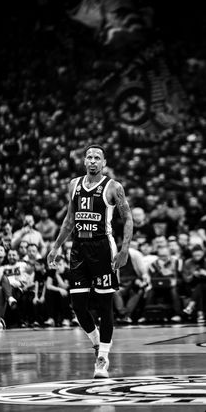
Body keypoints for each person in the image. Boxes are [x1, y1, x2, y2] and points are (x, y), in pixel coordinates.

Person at [47, 144, 133, 378]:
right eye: (89, 157)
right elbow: (69, 219)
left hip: (103, 248)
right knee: (77, 305)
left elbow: (128, 219)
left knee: (105, 307)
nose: (93, 161)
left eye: (98, 158)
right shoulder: (73, 184)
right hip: (79, 249)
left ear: (104, 163)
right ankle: (96, 342)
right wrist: (55, 247)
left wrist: (124, 249)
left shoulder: (113, 187)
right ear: (84, 161)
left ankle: (103, 358)